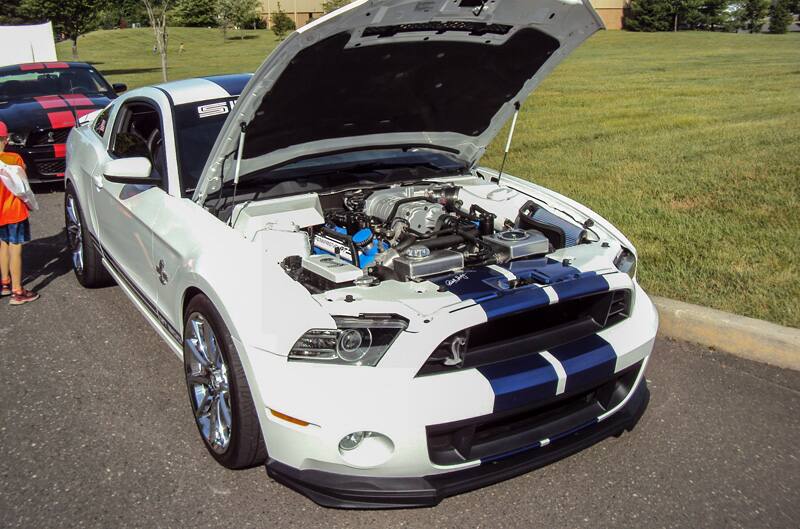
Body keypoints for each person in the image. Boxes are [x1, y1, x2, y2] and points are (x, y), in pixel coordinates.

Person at [0, 121, 39, 305]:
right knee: (16, 248)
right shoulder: (14, 159)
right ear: (6, 139)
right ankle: (18, 291)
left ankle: (5, 283)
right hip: (14, 211)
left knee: (3, 245)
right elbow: (23, 185)